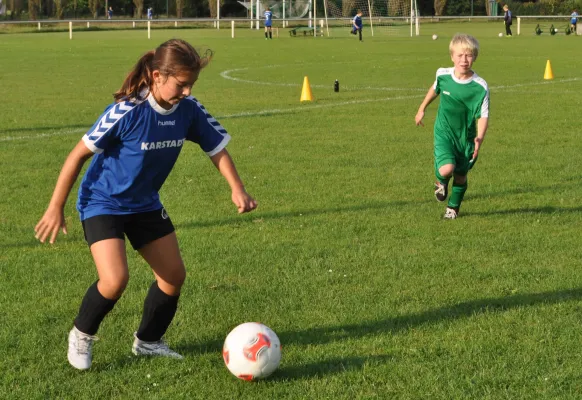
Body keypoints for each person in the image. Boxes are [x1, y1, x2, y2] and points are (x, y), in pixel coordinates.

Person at [34, 39, 258, 370]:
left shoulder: (189, 109)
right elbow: (78, 154)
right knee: (114, 280)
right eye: (181, 84)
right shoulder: (127, 111)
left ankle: (149, 342)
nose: (186, 91)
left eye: (191, 84)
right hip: (103, 201)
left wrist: (236, 188)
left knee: (173, 276)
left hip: (144, 204)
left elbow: (216, 148)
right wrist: (55, 206)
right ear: (156, 76)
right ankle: (82, 334)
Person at [414, 34, 490, 220]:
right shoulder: (443, 74)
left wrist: (479, 138)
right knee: (446, 169)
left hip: (466, 137)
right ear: (452, 56)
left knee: (460, 176)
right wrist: (422, 108)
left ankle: (453, 208)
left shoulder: (480, 86)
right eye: (460, 55)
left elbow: (483, 115)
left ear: (475, 57)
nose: (464, 60)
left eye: (469, 55)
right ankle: (440, 181)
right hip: (444, 132)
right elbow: (435, 89)